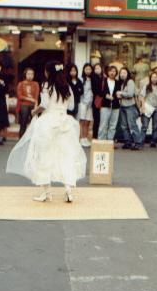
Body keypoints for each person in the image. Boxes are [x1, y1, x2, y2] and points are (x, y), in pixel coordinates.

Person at [6, 61, 86, 203]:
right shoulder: (66, 86)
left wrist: (34, 111)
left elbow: (44, 105)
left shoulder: (46, 85)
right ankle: (68, 191)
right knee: (65, 156)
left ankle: (46, 192)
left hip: (48, 122)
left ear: (48, 72)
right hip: (64, 122)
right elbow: (72, 106)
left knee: (44, 156)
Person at [117, 67, 142, 150]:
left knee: (132, 125)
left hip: (130, 106)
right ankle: (128, 142)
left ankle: (138, 142)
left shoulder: (130, 82)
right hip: (122, 106)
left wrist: (121, 93)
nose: (122, 74)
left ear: (127, 73)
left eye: (124, 72)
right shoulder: (121, 83)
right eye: (121, 73)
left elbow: (130, 94)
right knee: (124, 126)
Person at [96, 66, 120, 141]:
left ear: (116, 73)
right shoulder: (102, 81)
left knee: (113, 125)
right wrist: (105, 95)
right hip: (105, 105)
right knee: (103, 125)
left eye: (114, 71)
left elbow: (119, 93)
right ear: (107, 72)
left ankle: (110, 141)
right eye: (110, 71)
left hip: (115, 106)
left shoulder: (118, 82)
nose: (112, 73)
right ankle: (101, 141)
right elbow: (97, 90)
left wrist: (118, 95)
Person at [16, 68, 40, 138]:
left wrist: (36, 106)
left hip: (33, 105)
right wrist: (29, 99)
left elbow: (36, 96)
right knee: (23, 122)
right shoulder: (21, 84)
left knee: (34, 123)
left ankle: (33, 139)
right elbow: (19, 96)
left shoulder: (36, 84)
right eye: (28, 74)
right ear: (25, 75)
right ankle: (21, 138)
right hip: (24, 105)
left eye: (32, 74)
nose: (30, 76)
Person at [139, 72, 157, 147]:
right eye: (152, 77)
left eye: (156, 77)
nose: (154, 79)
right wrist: (143, 107)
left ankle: (153, 141)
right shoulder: (147, 86)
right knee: (144, 126)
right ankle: (141, 142)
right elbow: (142, 97)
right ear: (150, 78)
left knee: (156, 127)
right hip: (148, 107)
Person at [78, 63, 94, 147]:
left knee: (88, 121)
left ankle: (86, 138)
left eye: (89, 69)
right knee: (82, 121)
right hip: (83, 102)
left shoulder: (93, 79)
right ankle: (81, 138)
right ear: (84, 70)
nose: (88, 71)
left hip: (90, 104)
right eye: (86, 69)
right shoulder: (81, 79)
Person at [91, 63, 104, 140]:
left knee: (101, 120)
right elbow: (95, 90)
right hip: (97, 100)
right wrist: (103, 94)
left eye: (98, 68)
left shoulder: (103, 77)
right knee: (97, 120)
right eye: (95, 68)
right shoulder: (93, 77)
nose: (97, 70)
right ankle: (95, 137)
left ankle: (100, 136)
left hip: (102, 101)